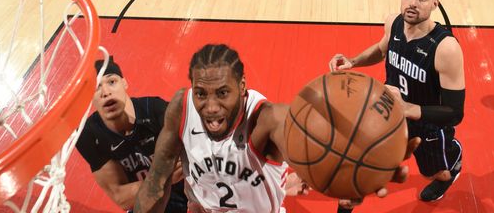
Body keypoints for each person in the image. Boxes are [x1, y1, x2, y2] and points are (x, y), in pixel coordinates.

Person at [134, 44, 419, 213]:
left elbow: (310, 143)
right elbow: (157, 180)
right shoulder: (181, 108)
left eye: (222, 93)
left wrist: (368, 159)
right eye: (201, 94)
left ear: (242, 87)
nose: (210, 107)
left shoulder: (267, 120)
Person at [329, 0, 465, 205]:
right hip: (387, 112)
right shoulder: (394, 22)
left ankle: (452, 158)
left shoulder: (446, 48)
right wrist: (354, 61)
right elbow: (382, 50)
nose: (413, 3)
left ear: (435, 4)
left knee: (434, 173)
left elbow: (455, 113)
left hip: (427, 125)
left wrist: (408, 108)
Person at [75, 56, 189, 213]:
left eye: (112, 82)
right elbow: (121, 197)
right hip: (146, 200)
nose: (105, 92)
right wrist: (160, 179)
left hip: (186, 191)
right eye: (96, 88)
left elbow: (197, 157)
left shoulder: (156, 110)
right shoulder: (89, 135)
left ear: (125, 83)